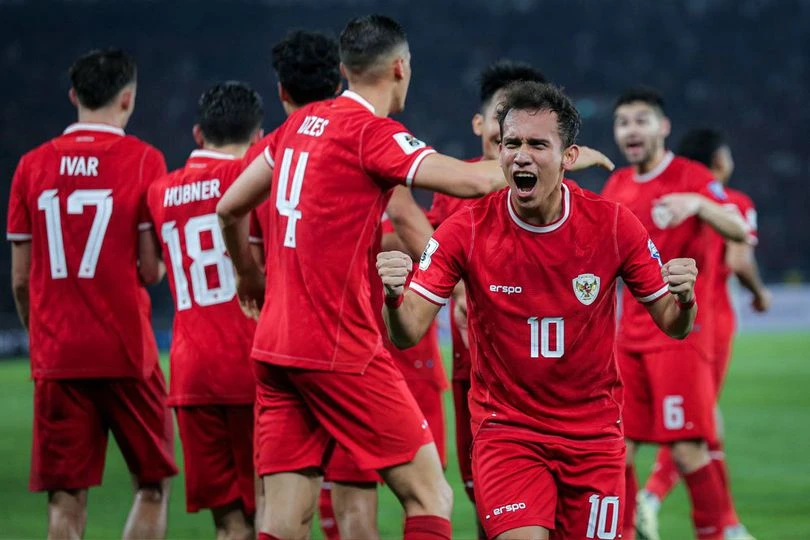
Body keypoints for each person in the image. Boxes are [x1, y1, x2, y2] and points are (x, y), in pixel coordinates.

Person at [217, 15, 511, 540]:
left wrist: (248, 277)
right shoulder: (371, 133)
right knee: (430, 495)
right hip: (338, 345)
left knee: (285, 518)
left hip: (276, 348)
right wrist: (557, 158)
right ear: (399, 68)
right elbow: (470, 181)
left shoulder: (298, 125)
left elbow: (229, 207)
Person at [377, 80, 700, 540]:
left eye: (537, 144)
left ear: (569, 156)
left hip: (594, 439)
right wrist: (394, 297)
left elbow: (674, 323)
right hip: (508, 434)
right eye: (512, 144)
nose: (520, 156)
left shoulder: (612, 225)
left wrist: (684, 299)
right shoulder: (465, 230)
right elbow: (407, 331)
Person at [6, 48, 176, 539]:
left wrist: (40, 336)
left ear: (74, 96)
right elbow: (150, 269)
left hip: (59, 353)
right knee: (152, 485)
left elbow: (21, 279)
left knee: (66, 497)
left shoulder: (31, 166)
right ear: (128, 99)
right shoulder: (144, 160)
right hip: (127, 351)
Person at [601, 87, 749, 540]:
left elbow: (739, 229)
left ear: (662, 127)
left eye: (641, 120)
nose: (631, 130)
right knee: (616, 448)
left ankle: (718, 532)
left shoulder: (692, 175)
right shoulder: (618, 185)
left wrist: (699, 204)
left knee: (686, 449)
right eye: (623, 122)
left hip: (680, 334)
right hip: (628, 336)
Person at [146, 82, 264, 540]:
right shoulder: (256, 177)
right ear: (258, 136)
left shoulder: (159, 192)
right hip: (251, 363)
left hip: (191, 373)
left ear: (198, 134)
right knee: (273, 511)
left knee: (228, 523)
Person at [637, 128, 769, 540]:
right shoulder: (732, 203)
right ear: (719, 161)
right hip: (708, 321)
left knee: (702, 423)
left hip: (667, 317)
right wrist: (759, 294)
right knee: (696, 426)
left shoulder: (668, 198)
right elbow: (740, 259)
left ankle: (726, 521)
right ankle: (660, 501)